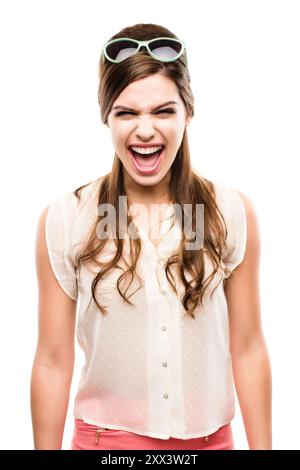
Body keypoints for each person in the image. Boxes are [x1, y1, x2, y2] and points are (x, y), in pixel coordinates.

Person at [30, 23, 272, 450]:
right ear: (106, 116)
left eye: (163, 111)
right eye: (126, 112)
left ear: (188, 113)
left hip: (210, 444)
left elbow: (249, 346)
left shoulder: (231, 212)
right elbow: (52, 360)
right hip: (107, 446)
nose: (145, 130)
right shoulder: (67, 219)